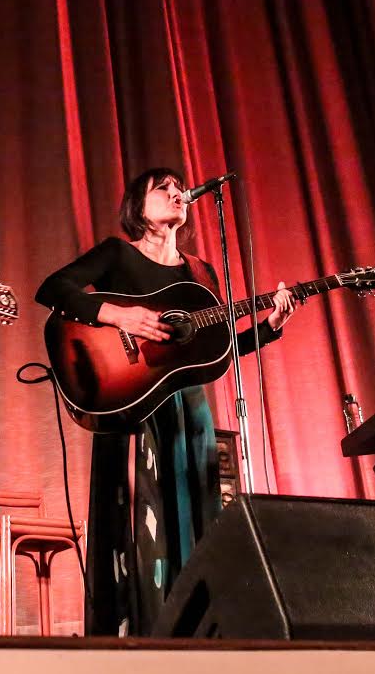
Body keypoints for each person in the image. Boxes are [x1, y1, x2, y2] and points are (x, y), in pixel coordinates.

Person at [35, 167, 300, 636]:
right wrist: (118, 315)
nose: (178, 193)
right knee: (140, 527)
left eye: (180, 188)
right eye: (164, 188)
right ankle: (141, 635)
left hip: (189, 414)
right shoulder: (117, 253)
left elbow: (215, 351)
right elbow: (52, 290)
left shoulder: (200, 273)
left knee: (197, 519)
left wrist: (269, 328)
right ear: (137, 207)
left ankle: (195, 637)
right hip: (134, 405)